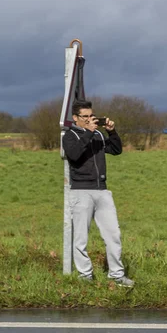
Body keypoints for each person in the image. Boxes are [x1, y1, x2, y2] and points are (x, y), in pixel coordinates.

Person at [62, 99, 134, 287]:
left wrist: (111, 131)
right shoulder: (69, 136)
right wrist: (88, 132)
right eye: (85, 117)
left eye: (91, 116)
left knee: (113, 234)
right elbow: (75, 155)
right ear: (75, 118)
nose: (89, 119)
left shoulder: (98, 135)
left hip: (102, 190)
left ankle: (117, 275)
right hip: (81, 191)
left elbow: (116, 150)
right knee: (81, 238)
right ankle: (85, 275)